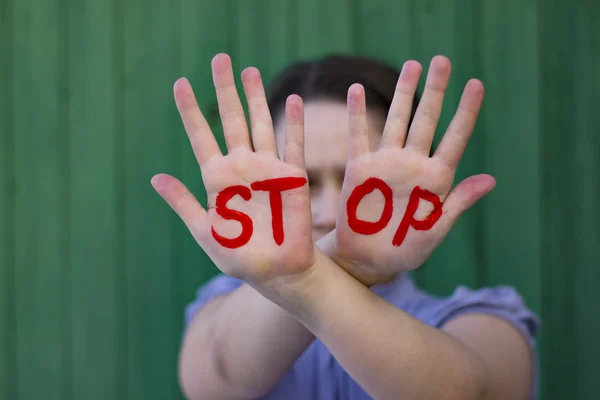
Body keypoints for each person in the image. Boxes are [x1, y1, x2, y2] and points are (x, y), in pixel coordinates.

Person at [151, 53, 540, 400]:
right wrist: (318, 269)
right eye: (302, 185)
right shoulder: (224, 310)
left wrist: (310, 276)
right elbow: (215, 380)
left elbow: (467, 392)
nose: (327, 211)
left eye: (355, 186)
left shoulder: (483, 321)